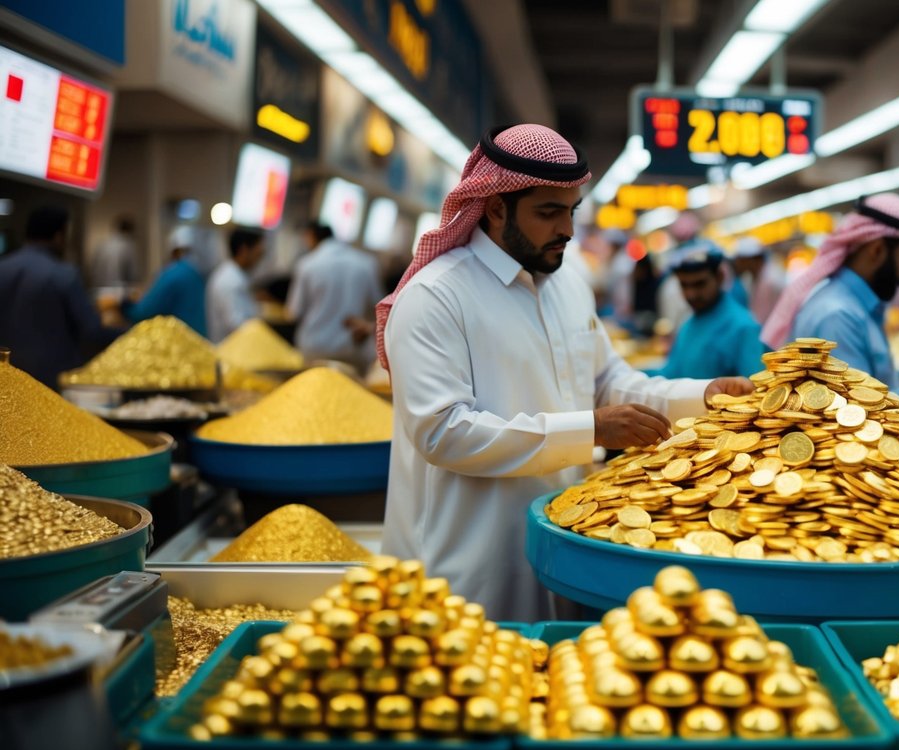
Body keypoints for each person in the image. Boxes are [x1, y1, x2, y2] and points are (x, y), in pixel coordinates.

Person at [376, 124, 753, 621]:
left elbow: (609, 384)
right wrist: (592, 429)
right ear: (495, 207)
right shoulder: (436, 297)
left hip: (560, 549)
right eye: (548, 212)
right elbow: (443, 432)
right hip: (461, 569)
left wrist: (705, 396)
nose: (568, 230)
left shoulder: (568, 286)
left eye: (571, 211)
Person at [761, 192, 899, 412]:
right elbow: (845, 409)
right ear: (877, 250)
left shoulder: (856, 307)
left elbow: (865, 380)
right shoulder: (838, 315)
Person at [0, 206, 118, 387]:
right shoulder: (63, 274)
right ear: (58, 236)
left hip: (7, 380)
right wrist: (133, 333)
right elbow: (92, 330)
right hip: (52, 381)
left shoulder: (4, 267)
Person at [649, 241, 767, 379]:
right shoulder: (688, 326)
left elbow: (756, 388)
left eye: (699, 284)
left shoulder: (744, 328)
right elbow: (671, 374)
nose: (691, 294)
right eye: (684, 285)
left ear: (719, 277)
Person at [287, 221, 380, 368]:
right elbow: (378, 306)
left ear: (311, 236)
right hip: (352, 348)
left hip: (314, 346)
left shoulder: (308, 264)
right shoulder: (366, 263)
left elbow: (294, 311)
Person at [122, 225, 208, 336]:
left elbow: (144, 313)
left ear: (173, 251)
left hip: (178, 343)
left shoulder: (173, 274)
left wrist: (124, 306)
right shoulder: (196, 274)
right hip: (199, 340)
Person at [206, 227, 265, 341]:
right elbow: (238, 326)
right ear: (244, 250)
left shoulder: (235, 275)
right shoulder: (230, 281)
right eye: (258, 254)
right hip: (231, 354)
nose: (259, 260)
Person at [727, 236, 786, 325]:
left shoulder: (773, 280)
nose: (738, 264)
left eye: (741, 260)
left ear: (752, 260)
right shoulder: (749, 279)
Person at [87, 215, 137, 291]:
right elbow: (133, 274)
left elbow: (93, 268)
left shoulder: (103, 244)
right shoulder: (128, 245)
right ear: (130, 230)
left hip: (99, 289)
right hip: (118, 292)